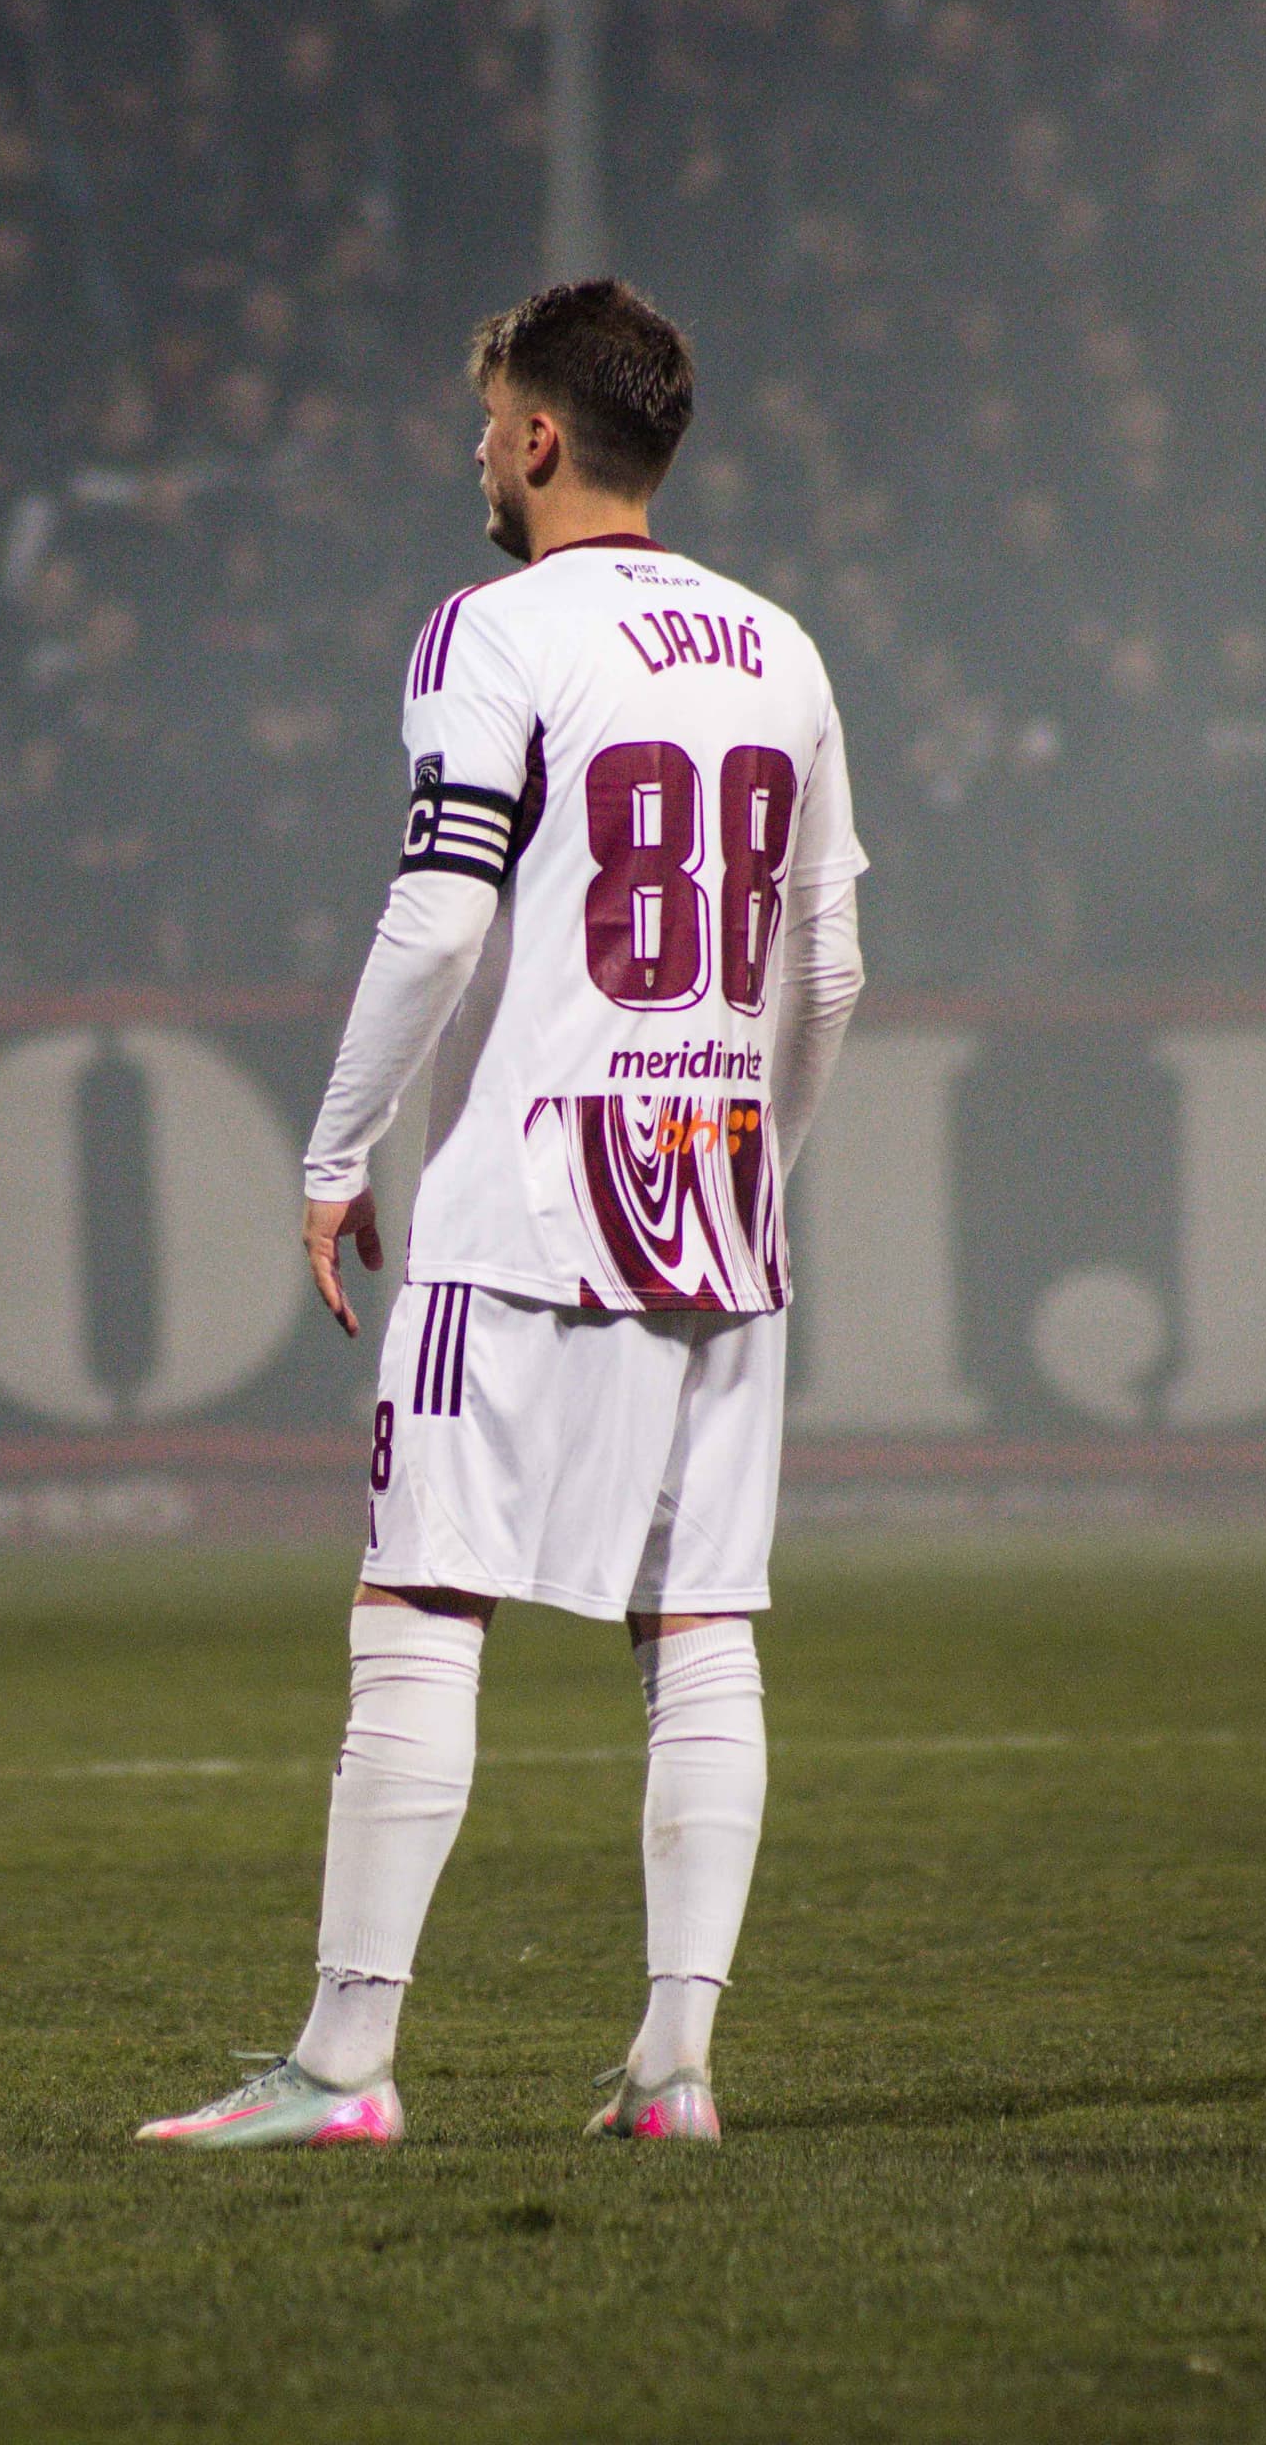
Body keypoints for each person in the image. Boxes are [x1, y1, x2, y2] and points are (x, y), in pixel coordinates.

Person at [138, 279, 868, 2150]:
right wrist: (753, 1160)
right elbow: (833, 962)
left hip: (522, 1197)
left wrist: (333, 1151)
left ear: (541, 437)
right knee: (698, 1623)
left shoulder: (491, 626)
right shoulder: (782, 646)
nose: (478, 450)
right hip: (715, 1200)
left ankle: (343, 2067)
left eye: (488, 421)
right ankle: (678, 2067)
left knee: (422, 1596)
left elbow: (445, 907)